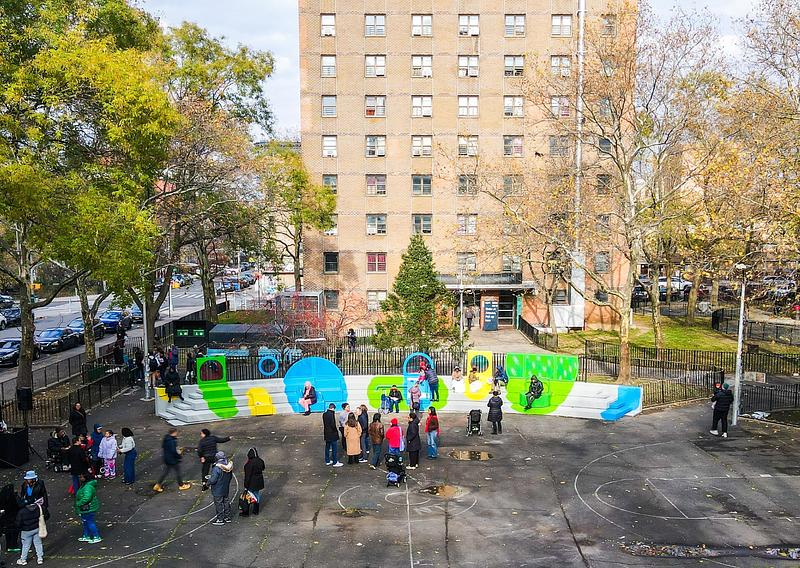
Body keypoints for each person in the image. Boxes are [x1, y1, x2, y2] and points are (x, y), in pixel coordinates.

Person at [153, 428, 191, 492]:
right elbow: (174, 451)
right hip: (173, 460)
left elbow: (165, 447)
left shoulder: (166, 438)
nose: (177, 433)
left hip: (167, 458)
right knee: (178, 472)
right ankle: (181, 485)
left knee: (165, 472)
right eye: (176, 432)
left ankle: (158, 485)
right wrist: (179, 456)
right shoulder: (172, 441)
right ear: (174, 433)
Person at [208, 451, 234, 526]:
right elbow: (230, 477)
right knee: (226, 502)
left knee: (219, 504)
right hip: (225, 488)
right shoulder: (228, 466)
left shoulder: (216, 468)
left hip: (217, 489)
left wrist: (207, 483)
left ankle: (220, 519)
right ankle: (227, 517)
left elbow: (213, 480)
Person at [15, 498, 43, 564]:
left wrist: (20, 528)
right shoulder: (38, 508)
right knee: (38, 543)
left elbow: (18, 523)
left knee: (26, 545)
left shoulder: (22, 511)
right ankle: (40, 558)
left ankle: (23, 560)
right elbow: (46, 515)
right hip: (37, 528)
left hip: (26, 531)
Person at [74, 473, 101, 543]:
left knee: (89, 522)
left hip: (88, 508)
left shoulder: (87, 487)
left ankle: (96, 536)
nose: (80, 478)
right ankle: (86, 535)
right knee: (86, 522)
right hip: (87, 508)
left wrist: (79, 503)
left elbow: (87, 498)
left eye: (81, 477)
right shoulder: (86, 485)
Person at [242, 448, 265, 516]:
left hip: (251, 482)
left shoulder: (250, 463)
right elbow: (263, 468)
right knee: (256, 495)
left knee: (248, 497)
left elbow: (248, 475)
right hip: (259, 481)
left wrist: (246, 484)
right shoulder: (260, 461)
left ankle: (246, 512)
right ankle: (256, 510)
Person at [0, 483, 21, 554]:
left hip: (5, 519)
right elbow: (19, 505)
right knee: (14, 533)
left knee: (7, 533)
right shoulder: (13, 498)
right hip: (14, 518)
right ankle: (13, 546)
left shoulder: (2, 498)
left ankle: (8, 546)